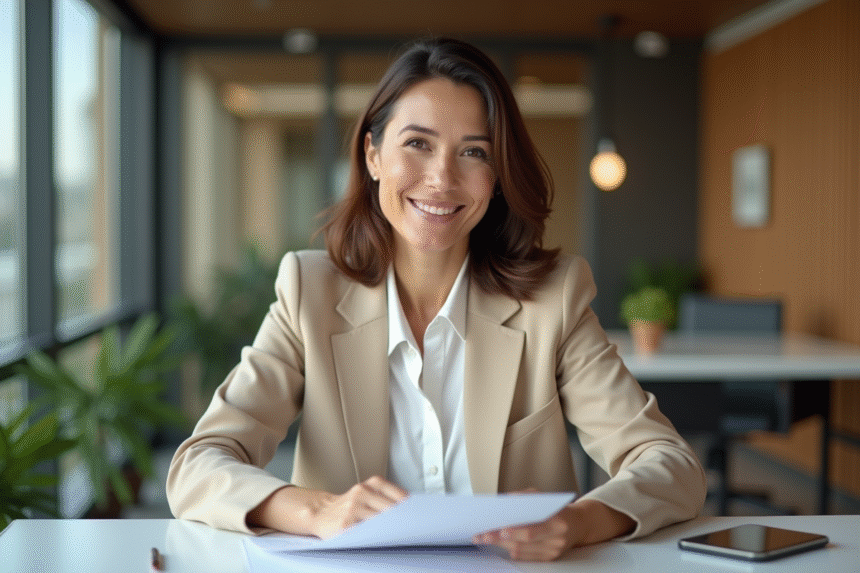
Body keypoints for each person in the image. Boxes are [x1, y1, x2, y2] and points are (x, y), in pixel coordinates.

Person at [167, 37, 706, 562]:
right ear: (373, 155)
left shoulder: (552, 300)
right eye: (418, 144)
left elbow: (670, 465)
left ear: (495, 179)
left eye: (473, 152)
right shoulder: (309, 293)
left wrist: (576, 523)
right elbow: (198, 464)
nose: (442, 178)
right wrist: (317, 512)